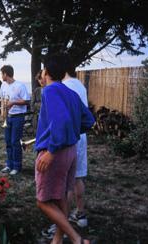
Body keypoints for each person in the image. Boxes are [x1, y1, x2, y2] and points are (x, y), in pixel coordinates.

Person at [34, 55, 95, 244]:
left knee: (43, 201)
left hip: (55, 152)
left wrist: (51, 152)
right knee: (60, 196)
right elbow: (88, 121)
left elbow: (62, 121)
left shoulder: (50, 90)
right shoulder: (70, 92)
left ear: (47, 72)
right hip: (71, 150)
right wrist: (70, 134)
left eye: (43, 70)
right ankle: (58, 239)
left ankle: (76, 239)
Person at [63, 57, 89, 228]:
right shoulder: (79, 84)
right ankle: (80, 214)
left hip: (70, 136)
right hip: (81, 135)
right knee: (78, 176)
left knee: (65, 181)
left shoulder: (65, 86)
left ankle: (61, 222)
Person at [0, 65, 30, 176]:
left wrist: (13, 102)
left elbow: (27, 101)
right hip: (8, 117)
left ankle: (17, 166)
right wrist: (3, 106)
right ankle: (9, 165)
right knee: (8, 142)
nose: (1, 76)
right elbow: (2, 99)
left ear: (5, 74)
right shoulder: (3, 86)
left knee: (15, 142)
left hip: (18, 116)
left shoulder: (20, 85)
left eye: (1, 73)